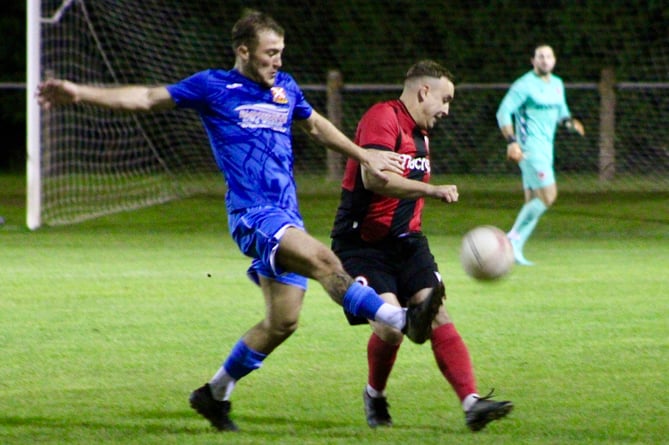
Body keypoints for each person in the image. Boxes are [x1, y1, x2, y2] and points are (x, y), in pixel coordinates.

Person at [36, 10, 444, 432]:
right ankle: (399, 320)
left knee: (282, 322)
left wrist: (363, 154)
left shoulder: (284, 88)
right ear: (244, 51)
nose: (278, 62)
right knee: (325, 260)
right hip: (252, 214)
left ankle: (214, 393)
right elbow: (144, 98)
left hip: (287, 215)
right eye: (270, 53)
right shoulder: (214, 86)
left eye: (282, 53)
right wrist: (79, 93)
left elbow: (317, 127)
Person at [330, 60, 513, 432]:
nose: (447, 110)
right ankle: (375, 395)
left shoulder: (421, 134)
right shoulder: (382, 117)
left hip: (408, 243)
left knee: (436, 314)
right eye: (445, 99)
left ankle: (471, 403)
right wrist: (432, 189)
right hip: (362, 243)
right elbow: (375, 178)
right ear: (423, 91)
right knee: (389, 326)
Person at [496, 44, 585, 265]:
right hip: (529, 149)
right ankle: (511, 239)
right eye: (540, 56)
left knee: (534, 200)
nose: (544, 60)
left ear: (554, 60)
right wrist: (511, 142)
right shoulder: (524, 85)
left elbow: (562, 114)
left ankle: (516, 250)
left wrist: (570, 123)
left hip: (547, 149)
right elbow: (503, 111)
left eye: (548, 56)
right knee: (549, 196)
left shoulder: (557, 84)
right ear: (533, 60)